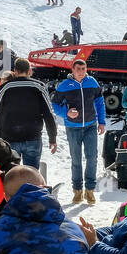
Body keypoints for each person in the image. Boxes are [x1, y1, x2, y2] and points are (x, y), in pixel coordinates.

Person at [53, 58, 106, 204]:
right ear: (73, 70)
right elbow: (55, 105)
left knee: (92, 158)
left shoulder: (92, 82)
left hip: (90, 126)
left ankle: (90, 190)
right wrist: (66, 113)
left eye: (83, 69)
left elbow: (100, 103)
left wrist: (101, 122)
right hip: (73, 128)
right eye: (78, 69)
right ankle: (77, 191)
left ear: (86, 69)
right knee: (76, 160)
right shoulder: (64, 86)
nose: (81, 72)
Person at [0, 58, 57, 169]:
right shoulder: (39, 87)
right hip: (33, 138)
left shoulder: (4, 88)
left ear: (15, 71)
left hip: (10, 139)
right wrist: (52, 137)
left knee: (10, 175)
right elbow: (49, 114)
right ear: (29, 71)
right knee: (31, 175)